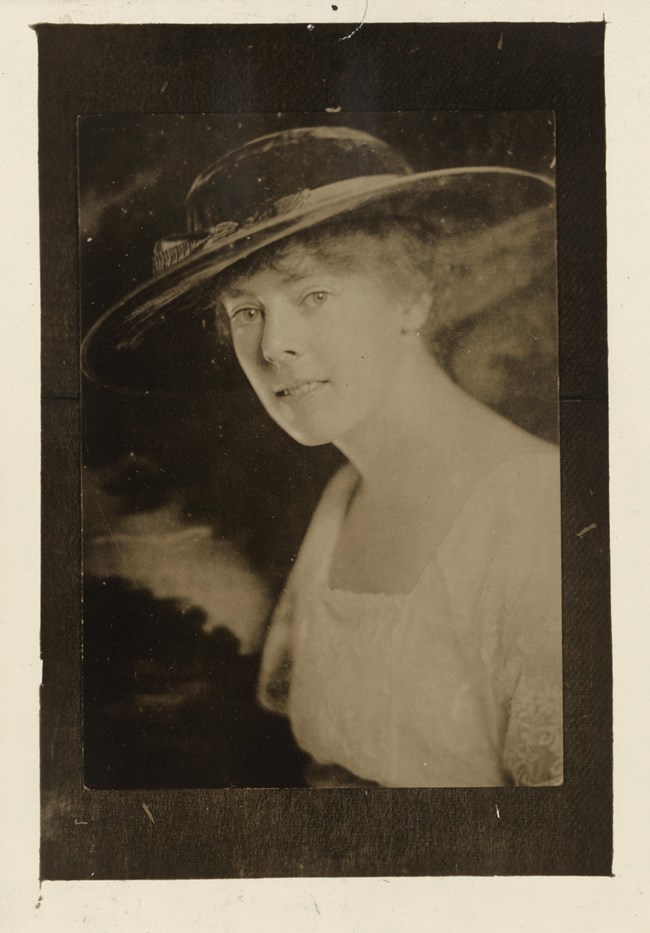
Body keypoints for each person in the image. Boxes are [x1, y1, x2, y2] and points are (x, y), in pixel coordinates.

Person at [82, 125, 563, 788]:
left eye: (313, 297)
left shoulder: (540, 518)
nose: (274, 345)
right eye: (245, 311)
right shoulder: (344, 496)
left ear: (411, 293)